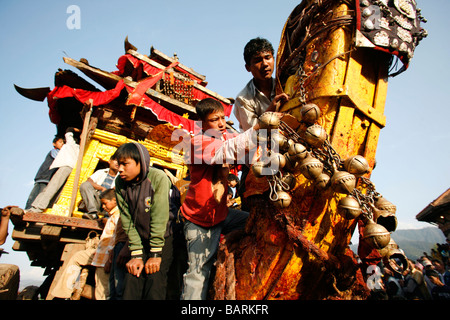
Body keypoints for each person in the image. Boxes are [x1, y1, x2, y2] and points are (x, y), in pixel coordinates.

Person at [180, 98, 278, 300]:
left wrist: (269, 110)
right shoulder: (198, 142)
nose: (222, 123)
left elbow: (244, 138)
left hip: (220, 214)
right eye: (215, 120)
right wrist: (262, 124)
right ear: (202, 123)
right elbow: (231, 148)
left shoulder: (222, 137)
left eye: (223, 118)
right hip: (199, 219)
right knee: (198, 272)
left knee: (254, 223)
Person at [233, 38, 289, 210]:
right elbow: (254, 134)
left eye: (268, 57)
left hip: (286, 155)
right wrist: (271, 110)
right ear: (248, 68)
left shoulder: (285, 82)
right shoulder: (243, 100)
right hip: (258, 165)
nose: (264, 64)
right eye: (257, 60)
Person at [113, 142, 173, 300]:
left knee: (155, 281)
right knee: (132, 280)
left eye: (125, 164)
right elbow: (127, 220)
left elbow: (159, 217)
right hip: (140, 239)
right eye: (119, 164)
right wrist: (137, 254)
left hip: (163, 238)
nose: (120, 169)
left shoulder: (158, 178)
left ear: (141, 161)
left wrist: (155, 253)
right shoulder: (120, 184)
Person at [50, 189, 120, 300]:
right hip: (100, 255)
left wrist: (110, 259)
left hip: (106, 259)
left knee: (103, 292)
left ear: (115, 201)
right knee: (78, 257)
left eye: (105, 203)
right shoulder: (112, 216)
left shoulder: (118, 216)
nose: (103, 207)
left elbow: (117, 238)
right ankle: (64, 292)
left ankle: (64, 292)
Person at [27, 128, 80, 213]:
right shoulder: (80, 149)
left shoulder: (71, 143)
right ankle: (47, 208)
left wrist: (77, 130)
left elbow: (68, 130)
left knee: (52, 187)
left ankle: (38, 207)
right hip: (72, 170)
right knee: (59, 191)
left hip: (65, 167)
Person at [25, 136, 65, 209]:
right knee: (37, 195)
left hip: (45, 177)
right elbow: (60, 158)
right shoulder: (54, 151)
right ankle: (29, 209)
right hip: (44, 177)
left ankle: (30, 208)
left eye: (63, 142)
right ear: (54, 144)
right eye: (60, 142)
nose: (62, 144)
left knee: (37, 195)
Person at [79, 155, 119, 219]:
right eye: (115, 160)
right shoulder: (102, 172)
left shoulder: (121, 177)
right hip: (97, 202)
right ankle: (93, 213)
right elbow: (89, 181)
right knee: (85, 185)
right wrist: (102, 188)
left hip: (110, 205)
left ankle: (108, 216)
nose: (117, 163)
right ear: (109, 161)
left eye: (120, 162)